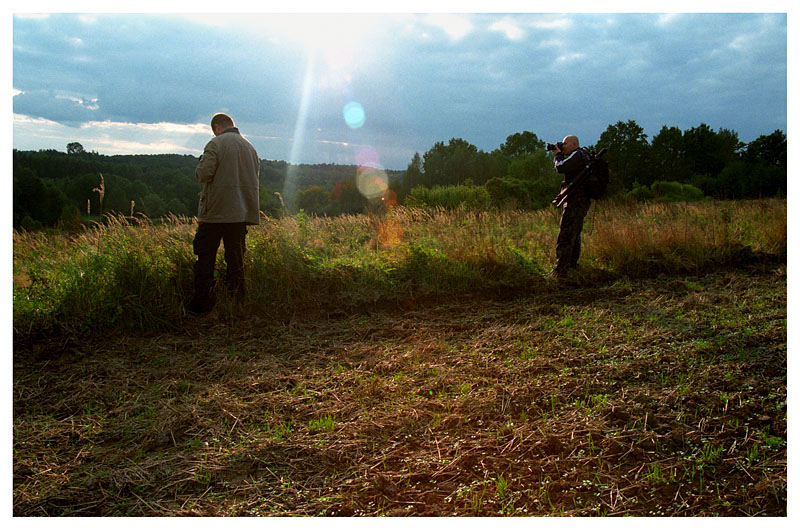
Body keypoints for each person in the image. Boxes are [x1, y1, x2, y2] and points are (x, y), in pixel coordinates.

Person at [188, 113, 260, 315]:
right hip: (240, 214)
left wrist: (201, 162)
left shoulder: (215, 144)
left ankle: (202, 306)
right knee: (236, 260)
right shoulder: (250, 148)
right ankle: (237, 303)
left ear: (217, 127)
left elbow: (204, 174)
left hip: (215, 214)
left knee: (205, 258)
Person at [551, 135, 591, 278]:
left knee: (566, 234)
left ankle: (560, 270)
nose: (563, 146)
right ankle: (572, 267)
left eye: (565, 144)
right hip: (581, 200)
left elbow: (561, 167)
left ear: (574, 144)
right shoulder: (583, 155)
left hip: (576, 201)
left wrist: (557, 155)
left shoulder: (577, 155)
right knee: (574, 233)